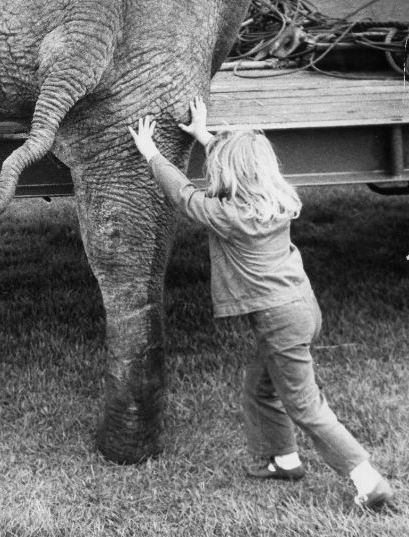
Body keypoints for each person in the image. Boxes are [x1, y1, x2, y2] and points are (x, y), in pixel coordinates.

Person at [128, 98, 394, 512]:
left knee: (305, 405)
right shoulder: (273, 199)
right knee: (260, 389)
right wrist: (202, 135)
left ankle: (366, 476)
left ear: (231, 173)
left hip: (277, 319)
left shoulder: (232, 215)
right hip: (301, 308)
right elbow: (243, 160)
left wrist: (152, 154)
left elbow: (183, 196)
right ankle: (283, 461)